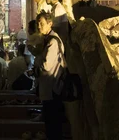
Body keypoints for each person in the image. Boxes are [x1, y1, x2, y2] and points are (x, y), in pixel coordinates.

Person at [34, 11, 66, 140]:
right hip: (49, 87)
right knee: (50, 123)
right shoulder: (48, 40)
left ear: (50, 23)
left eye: (41, 24)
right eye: (38, 24)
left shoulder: (52, 41)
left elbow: (47, 66)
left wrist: (36, 69)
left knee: (53, 123)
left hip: (53, 87)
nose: (39, 27)